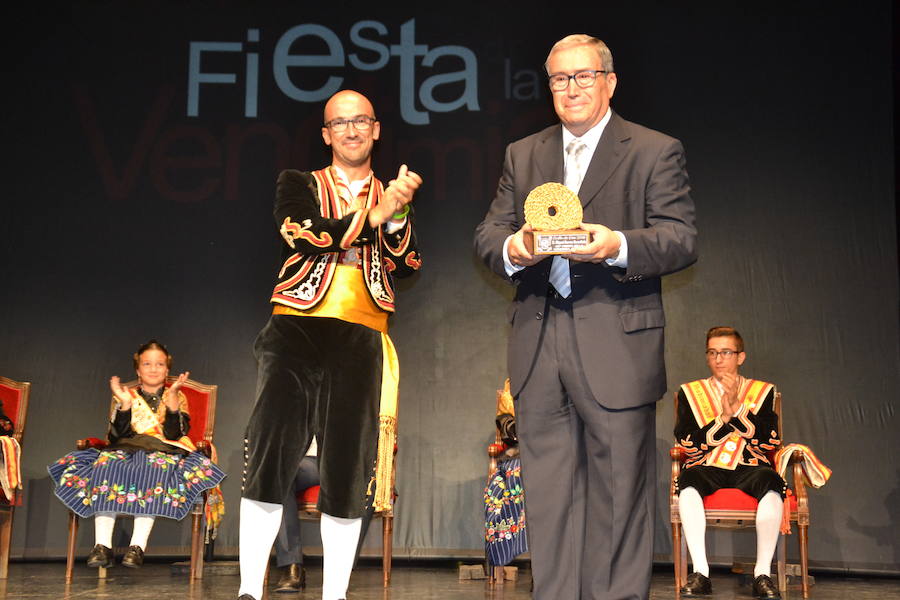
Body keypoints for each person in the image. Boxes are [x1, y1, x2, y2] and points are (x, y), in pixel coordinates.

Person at [474, 34, 697, 599]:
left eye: (583, 77)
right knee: (549, 498)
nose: (570, 89)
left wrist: (616, 244)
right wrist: (515, 250)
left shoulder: (653, 149)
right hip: (538, 342)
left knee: (619, 496)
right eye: (558, 79)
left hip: (617, 343)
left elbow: (680, 239)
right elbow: (487, 236)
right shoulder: (523, 154)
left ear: (609, 82)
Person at [237, 89, 422, 600]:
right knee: (271, 457)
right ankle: (249, 590)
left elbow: (405, 266)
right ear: (326, 134)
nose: (351, 130)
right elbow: (302, 233)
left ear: (376, 128)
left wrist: (399, 214)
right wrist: (376, 216)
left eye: (361, 120)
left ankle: (335, 594)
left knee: (346, 467)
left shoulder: (388, 192)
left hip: (363, 332)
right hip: (297, 326)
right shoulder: (298, 183)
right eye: (340, 123)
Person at [48, 340, 226, 568]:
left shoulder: (177, 396)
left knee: (153, 469)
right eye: (147, 364)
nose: (153, 369)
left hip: (162, 451)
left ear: (167, 369)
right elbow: (114, 437)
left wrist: (172, 404)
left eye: (159, 364)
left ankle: (137, 547)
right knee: (105, 464)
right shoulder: (126, 395)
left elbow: (176, 434)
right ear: (138, 369)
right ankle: (102, 546)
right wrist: (124, 405)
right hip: (125, 449)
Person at [675, 327, 784, 599]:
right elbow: (687, 441)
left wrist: (738, 411)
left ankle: (762, 574)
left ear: (741, 356)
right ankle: (701, 573)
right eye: (712, 353)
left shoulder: (763, 391)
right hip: (707, 465)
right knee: (687, 482)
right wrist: (723, 420)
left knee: (772, 482)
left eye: (725, 352)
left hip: (750, 466)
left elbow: (769, 440)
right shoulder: (690, 392)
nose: (718, 359)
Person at [484, 379, 527, 570]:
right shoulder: (511, 390)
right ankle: (502, 551)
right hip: (518, 459)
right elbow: (508, 429)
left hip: (549, 460)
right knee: (508, 485)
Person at [272, 440, 320, 593]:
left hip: (322, 459)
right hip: (292, 458)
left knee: (284, 472)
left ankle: (292, 564)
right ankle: (292, 565)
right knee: (279, 475)